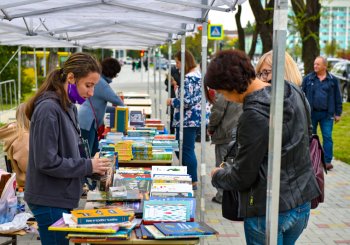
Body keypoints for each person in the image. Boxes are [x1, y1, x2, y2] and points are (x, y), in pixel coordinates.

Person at [205, 50, 320, 245]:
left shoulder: (254, 113)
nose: (227, 99)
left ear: (231, 86)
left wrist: (217, 175)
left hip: (268, 208)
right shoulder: (293, 91)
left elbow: (243, 176)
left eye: (223, 94)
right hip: (301, 202)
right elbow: (306, 137)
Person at [24, 52, 112, 245]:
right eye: (88, 85)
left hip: (59, 196)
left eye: (94, 87)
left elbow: (72, 151)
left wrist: (94, 167)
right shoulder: (48, 109)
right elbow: (46, 162)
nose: (91, 93)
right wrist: (88, 166)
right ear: (71, 78)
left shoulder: (68, 106)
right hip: (49, 198)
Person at [166, 50, 209, 190]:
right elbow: (191, 96)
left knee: (185, 149)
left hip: (188, 120)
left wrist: (172, 101)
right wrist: (177, 88)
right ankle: (190, 177)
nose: (177, 66)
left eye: (178, 62)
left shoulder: (190, 78)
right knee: (182, 148)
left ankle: (192, 180)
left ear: (184, 62)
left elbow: (186, 101)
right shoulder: (197, 75)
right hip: (193, 119)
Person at [302, 56, 342, 171]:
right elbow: (301, 95)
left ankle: (327, 161)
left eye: (318, 64)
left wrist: (338, 113)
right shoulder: (308, 79)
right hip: (311, 114)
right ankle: (310, 159)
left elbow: (338, 97)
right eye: (314, 64)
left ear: (325, 66)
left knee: (327, 137)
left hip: (327, 114)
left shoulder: (333, 80)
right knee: (310, 136)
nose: (315, 66)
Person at [78, 57, 124, 157]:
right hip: (88, 122)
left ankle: (90, 171)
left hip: (87, 120)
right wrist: (122, 110)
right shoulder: (102, 83)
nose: (115, 76)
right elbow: (118, 101)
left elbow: (100, 106)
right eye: (116, 74)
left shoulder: (100, 81)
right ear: (112, 72)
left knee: (93, 150)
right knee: (88, 153)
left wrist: (113, 109)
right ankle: (86, 172)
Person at [207, 93, 242, 204]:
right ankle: (232, 196)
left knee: (223, 163)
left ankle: (223, 196)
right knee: (233, 164)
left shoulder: (225, 89)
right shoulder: (245, 84)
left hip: (226, 133)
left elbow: (217, 111)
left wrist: (211, 128)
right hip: (239, 131)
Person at [0, 103, 29, 187]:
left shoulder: (15, 133)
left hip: (22, 182)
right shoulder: (23, 138)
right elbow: (28, 167)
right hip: (28, 185)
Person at [164, 65, 180, 134]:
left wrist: (178, 83)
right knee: (172, 115)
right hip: (173, 94)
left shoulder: (185, 71)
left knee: (179, 115)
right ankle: (172, 132)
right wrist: (171, 83)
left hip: (180, 95)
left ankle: (178, 132)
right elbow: (166, 82)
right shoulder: (173, 69)